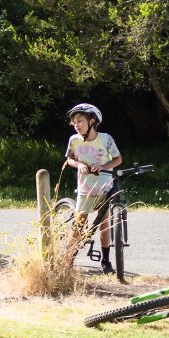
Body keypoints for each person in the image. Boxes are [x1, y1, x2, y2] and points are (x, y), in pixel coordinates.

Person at [64, 103, 122, 274]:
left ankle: (106, 260)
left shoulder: (105, 139)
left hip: (104, 186)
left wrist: (103, 164)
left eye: (80, 121)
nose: (76, 125)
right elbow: (70, 160)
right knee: (79, 223)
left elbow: (117, 159)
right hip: (85, 187)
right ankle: (67, 259)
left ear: (92, 121)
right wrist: (79, 163)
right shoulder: (74, 140)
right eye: (74, 122)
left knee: (104, 222)